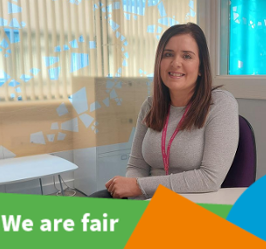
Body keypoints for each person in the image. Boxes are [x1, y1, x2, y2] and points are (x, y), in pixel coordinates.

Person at [89, 23, 239, 199]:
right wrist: (136, 199)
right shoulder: (151, 106)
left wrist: (139, 186)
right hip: (147, 201)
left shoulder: (220, 104)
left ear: (200, 67)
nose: (176, 63)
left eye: (187, 56)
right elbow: (137, 165)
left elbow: (209, 178)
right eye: (168, 54)